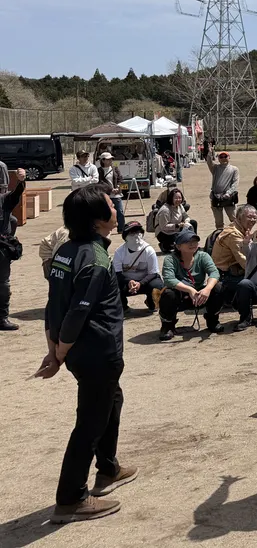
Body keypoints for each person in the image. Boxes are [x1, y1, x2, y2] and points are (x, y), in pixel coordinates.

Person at [40, 184, 135, 524]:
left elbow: (54, 304)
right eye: (112, 205)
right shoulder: (95, 258)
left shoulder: (66, 250)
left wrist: (54, 348)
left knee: (113, 400)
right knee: (90, 423)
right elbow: (77, 311)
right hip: (97, 351)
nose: (117, 209)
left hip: (81, 351)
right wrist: (58, 354)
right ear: (98, 218)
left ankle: (108, 467)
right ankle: (71, 498)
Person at [159, 229, 224, 339]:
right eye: (188, 242)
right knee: (168, 294)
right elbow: (169, 279)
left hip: (200, 295)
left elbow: (214, 273)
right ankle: (167, 325)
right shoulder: (170, 259)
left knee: (218, 287)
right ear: (178, 246)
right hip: (180, 295)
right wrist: (190, 290)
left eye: (195, 241)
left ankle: (213, 320)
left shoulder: (203, 256)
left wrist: (207, 289)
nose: (192, 244)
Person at [112, 222, 162, 313]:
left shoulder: (149, 250)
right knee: (112, 284)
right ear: (125, 237)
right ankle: (123, 306)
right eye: (131, 233)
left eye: (138, 232)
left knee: (157, 285)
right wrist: (129, 281)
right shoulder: (119, 252)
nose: (135, 236)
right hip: (127, 283)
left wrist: (140, 283)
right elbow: (117, 273)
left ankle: (152, 303)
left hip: (145, 282)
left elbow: (153, 273)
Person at [210, 205, 257, 300]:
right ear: (239, 217)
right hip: (225, 275)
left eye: (255, 217)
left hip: (234, 269)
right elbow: (244, 261)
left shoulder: (240, 229)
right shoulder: (233, 234)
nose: (252, 220)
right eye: (249, 217)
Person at [0, 167, 26, 331]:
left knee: (2, 284)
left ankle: (2, 318)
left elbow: (17, 193)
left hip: (1, 251)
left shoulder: (4, 200)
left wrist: (21, 181)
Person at [153, 188, 191, 253]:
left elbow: (186, 216)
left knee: (193, 223)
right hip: (164, 232)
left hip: (176, 228)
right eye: (176, 198)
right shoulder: (165, 210)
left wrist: (186, 222)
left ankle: (191, 243)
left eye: (180, 198)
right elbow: (164, 227)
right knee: (180, 238)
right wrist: (178, 225)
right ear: (171, 198)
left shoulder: (180, 206)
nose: (178, 200)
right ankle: (166, 245)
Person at [95, 152, 125, 231]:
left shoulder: (115, 168)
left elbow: (120, 179)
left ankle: (121, 229)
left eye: (111, 159)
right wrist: (110, 189)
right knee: (105, 213)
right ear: (103, 160)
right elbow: (100, 183)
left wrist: (118, 187)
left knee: (120, 211)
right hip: (105, 195)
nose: (110, 161)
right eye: (108, 159)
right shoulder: (99, 171)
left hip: (116, 194)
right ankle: (106, 229)